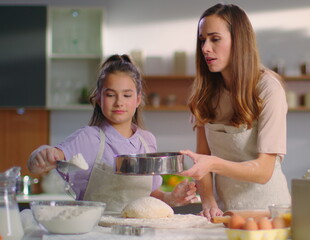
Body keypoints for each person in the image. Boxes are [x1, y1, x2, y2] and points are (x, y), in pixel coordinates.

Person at [28, 54, 198, 212]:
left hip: (140, 232)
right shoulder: (89, 138)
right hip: (98, 233)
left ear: (138, 100)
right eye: (110, 95)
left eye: (126, 95)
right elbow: (43, 162)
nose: (119, 103)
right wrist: (42, 154)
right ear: (98, 99)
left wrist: (172, 198)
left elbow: (151, 195)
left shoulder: (147, 141)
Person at [180, 3, 291, 220]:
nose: (205, 48)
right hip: (225, 214)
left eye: (215, 39)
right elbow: (203, 158)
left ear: (238, 41)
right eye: (202, 40)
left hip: (269, 214)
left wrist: (213, 164)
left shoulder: (268, 88)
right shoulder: (204, 92)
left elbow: (263, 171)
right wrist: (209, 201)